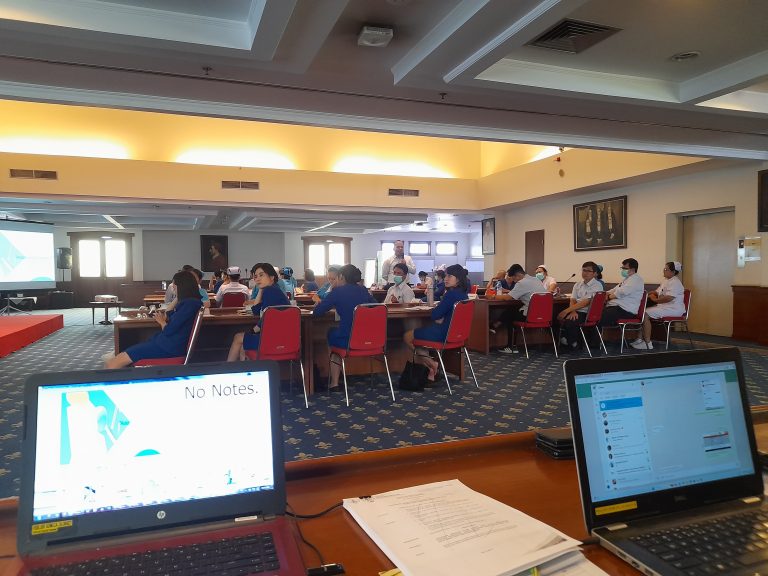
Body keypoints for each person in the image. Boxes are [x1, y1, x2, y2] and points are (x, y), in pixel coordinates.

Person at [105, 270, 202, 368]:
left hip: (169, 347)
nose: (173, 289)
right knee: (120, 357)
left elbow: (168, 330)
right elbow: (169, 314)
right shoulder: (190, 303)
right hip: (169, 344)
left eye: (174, 286)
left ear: (181, 287)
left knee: (113, 363)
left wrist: (162, 322)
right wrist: (177, 298)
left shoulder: (189, 304)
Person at [312, 264, 376, 390]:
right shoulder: (363, 290)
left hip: (347, 340)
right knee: (336, 334)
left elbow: (317, 312)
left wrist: (324, 300)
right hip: (368, 340)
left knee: (331, 333)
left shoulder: (337, 292)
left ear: (341, 276)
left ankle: (334, 382)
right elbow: (376, 305)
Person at [404, 264, 469, 382]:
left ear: (458, 279)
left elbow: (434, 315)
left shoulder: (450, 295)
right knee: (422, 336)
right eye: (446, 276)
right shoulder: (464, 295)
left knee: (407, 336)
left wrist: (439, 309)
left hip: (443, 334)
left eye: (449, 276)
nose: (445, 279)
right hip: (457, 336)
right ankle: (430, 369)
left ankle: (431, 364)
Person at [226, 263, 289, 361]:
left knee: (238, 337)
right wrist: (260, 290)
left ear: (272, 277)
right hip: (282, 338)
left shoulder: (270, 291)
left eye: (261, 275)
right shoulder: (273, 289)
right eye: (255, 276)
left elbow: (267, 317)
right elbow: (255, 310)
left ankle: (227, 368)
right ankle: (244, 368)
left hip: (273, 340)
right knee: (243, 345)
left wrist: (254, 330)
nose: (257, 279)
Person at [491, 264, 547, 354]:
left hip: (530, 315)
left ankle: (510, 346)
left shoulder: (522, 283)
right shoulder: (536, 280)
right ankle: (495, 325)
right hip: (544, 315)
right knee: (512, 310)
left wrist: (492, 296)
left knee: (509, 315)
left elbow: (508, 298)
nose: (514, 281)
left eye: (514, 279)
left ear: (517, 275)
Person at [630, 261, 685, 350]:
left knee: (645, 314)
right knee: (641, 312)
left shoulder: (675, 282)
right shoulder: (666, 281)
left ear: (673, 272)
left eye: (666, 269)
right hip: (664, 307)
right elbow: (657, 292)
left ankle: (648, 343)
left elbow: (669, 298)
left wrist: (656, 300)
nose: (664, 270)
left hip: (673, 309)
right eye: (664, 268)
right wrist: (647, 294)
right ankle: (639, 339)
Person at [557, 261, 602, 351]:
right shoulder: (578, 284)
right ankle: (565, 342)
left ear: (594, 273)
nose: (585, 273)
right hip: (576, 310)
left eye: (588, 271)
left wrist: (566, 311)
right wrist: (572, 311)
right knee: (556, 317)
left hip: (587, 313)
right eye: (583, 270)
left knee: (570, 321)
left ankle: (573, 344)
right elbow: (573, 299)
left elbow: (586, 302)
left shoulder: (597, 285)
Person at [601, 258, 644, 327]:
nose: (623, 270)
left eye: (625, 268)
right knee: (594, 313)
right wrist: (605, 293)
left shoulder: (636, 279)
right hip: (616, 308)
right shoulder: (627, 279)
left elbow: (622, 292)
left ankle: (596, 333)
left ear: (633, 269)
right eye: (622, 268)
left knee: (600, 317)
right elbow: (614, 289)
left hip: (625, 310)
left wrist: (608, 297)